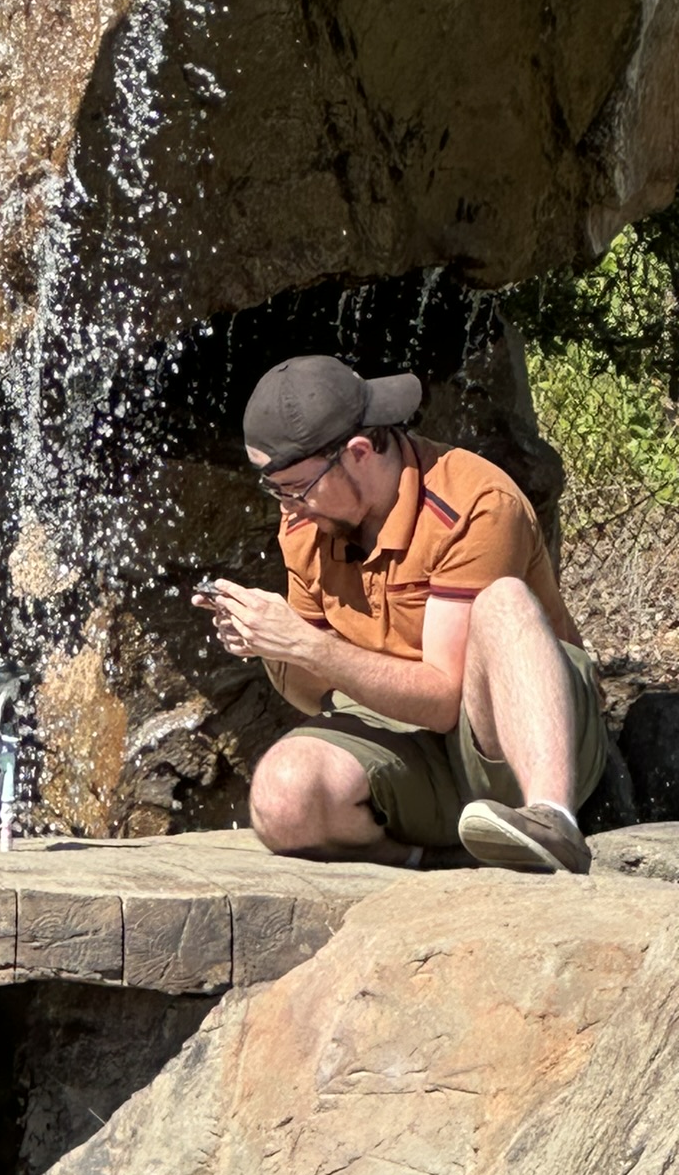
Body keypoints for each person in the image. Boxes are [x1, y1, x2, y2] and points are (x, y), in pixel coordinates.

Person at [195, 354, 606, 875]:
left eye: (296, 488)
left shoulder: (475, 502)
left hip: (511, 736)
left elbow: (445, 700)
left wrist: (305, 643)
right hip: (409, 743)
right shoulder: (305, 523)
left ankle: (552, 821)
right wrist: (270, 644)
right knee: (283, 793)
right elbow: (317, 696)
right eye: (273, 488)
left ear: (359, 452)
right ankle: (436, 862)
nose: (287, 506)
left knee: (503, 602)